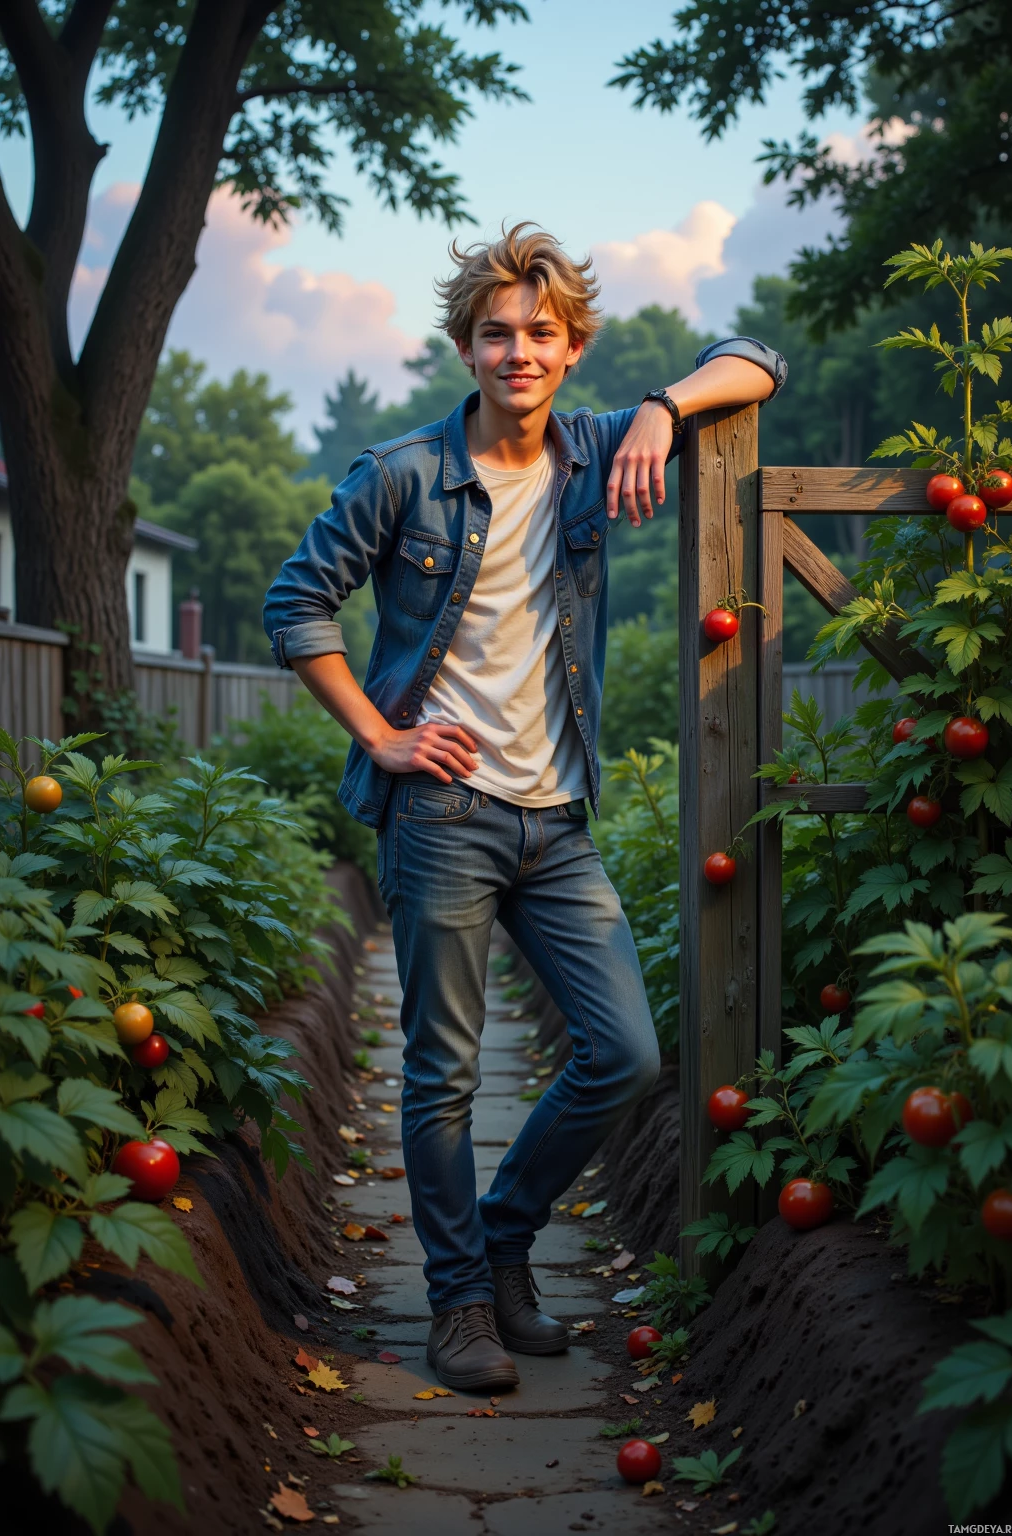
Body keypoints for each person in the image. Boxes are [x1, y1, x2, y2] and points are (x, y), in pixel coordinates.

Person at [263, 223, 785, 1392]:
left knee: (624, 1052)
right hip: (442, 815)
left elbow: (755, 360)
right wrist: (383, 736)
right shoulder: (401, 473)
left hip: (555, 820)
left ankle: (503, 1240)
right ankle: (456, 1307)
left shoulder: (597, 450)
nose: (517, 352)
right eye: (495, 333)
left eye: (539, 333)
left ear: (573, 347)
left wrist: (659, 408)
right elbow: (296, 607)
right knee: (442, 1072)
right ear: (464, 347)